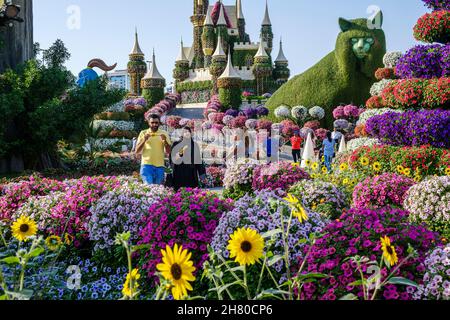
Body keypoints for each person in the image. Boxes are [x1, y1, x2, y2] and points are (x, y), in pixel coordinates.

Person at [135, 114, 172, 185]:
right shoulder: (143, 133)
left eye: (156, 122)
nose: (154, 124)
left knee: (158, 189)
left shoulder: (164, 133)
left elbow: (168, 151)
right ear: (149, 123)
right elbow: (137, 151)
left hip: (160, 166)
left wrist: (165, 141)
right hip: (146, 165)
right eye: (152, 122)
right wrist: (144, 140)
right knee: (149, 187)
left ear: (159, 123)